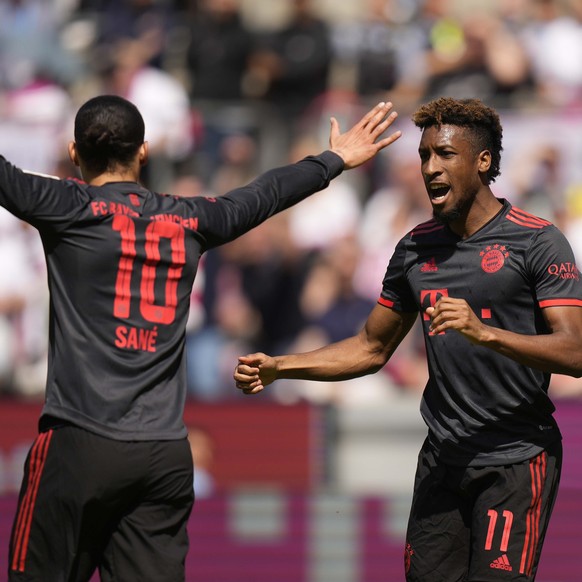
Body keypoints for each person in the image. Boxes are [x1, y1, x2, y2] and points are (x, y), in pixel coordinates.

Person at [3, 94, 400, 582]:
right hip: (163, 454)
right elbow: (261, 195)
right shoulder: (190, 218)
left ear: (73, 152)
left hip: (80, 439)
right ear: (144, 152)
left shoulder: (64, 205)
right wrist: (333, 159)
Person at [233, 96, 582, 582]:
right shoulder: (415, 248)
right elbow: (371, 348)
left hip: (516, 460)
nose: (430, 168)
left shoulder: (538, 241)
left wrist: (484, 333)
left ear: (483, 162)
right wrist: (280, 366)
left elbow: (576, 352)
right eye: (424, 156)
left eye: (445, 154)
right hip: (443, 456)